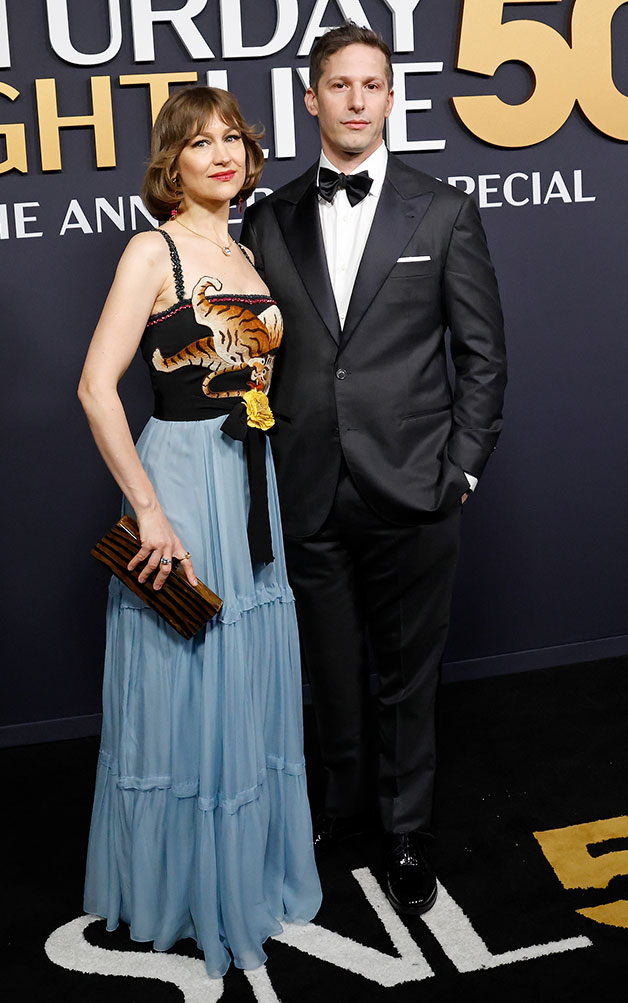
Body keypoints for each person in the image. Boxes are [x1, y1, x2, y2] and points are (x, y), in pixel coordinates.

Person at [241, 23, 506, 916]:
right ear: (310, 100)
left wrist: (461, 468)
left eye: (373, 85)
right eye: (339, 86)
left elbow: (483, 355)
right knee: (328, 668)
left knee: (407, 672)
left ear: (392, 99)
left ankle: (404, 827)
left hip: (416, 485)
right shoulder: (268, 216)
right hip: (305, 483)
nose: (357, 100)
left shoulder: (443, 210)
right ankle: (338, 812)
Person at [78, 86, 321, 978]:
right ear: (170, 164)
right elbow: (96, 387)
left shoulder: (247, 251)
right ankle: (181, 890)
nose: (221, 154)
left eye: (233, 140)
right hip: (182, 483)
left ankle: (245, 875)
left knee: (244, 683)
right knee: (190, 681)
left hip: (250, 483)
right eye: (199, 143)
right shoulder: (155, 250)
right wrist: (148, 508)